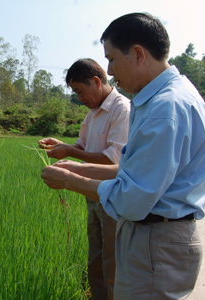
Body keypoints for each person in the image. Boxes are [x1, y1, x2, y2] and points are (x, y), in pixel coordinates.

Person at [40, 12, 205, 299]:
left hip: (157, 241)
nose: (111, 70)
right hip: (154, 237)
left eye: (112, 59)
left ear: (138, 54)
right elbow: (133, 170)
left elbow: (132, 196)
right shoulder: (164, 99)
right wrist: (80, 169)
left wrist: (69, 179)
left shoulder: (165, 109)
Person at [39, 58, 130, 300]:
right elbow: (82, 145)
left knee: (112, 262)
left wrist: (71, 153)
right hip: (93, 195)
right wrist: (64, 145)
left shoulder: (122, 109)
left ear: (97, 82)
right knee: (96, 259)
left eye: (80, 90)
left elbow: (114, 160)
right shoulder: (92, 113)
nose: (79, 98)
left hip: (113, 196)